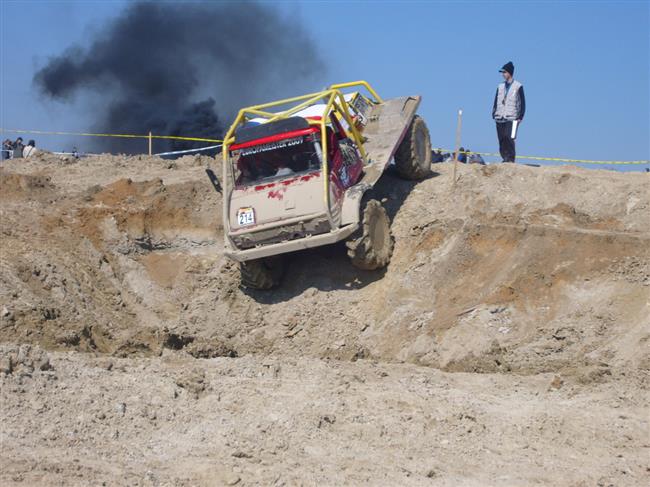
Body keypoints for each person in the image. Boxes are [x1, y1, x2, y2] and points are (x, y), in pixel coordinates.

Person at [492, 61, 525, 162]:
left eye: (504, 72)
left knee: (509, 137)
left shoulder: (518, 86)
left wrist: (520, 116)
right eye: (502, 72)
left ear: (510, 73)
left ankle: (510, 158)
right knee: (501, 139)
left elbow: (522, 102)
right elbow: (496, 100)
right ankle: (504, 157)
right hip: (500, 116)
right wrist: (493, 113)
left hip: (512, 117)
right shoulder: (500, 86)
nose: (503, 74)